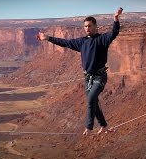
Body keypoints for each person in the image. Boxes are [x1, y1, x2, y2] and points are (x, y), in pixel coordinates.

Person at [37, 7, 123, 135]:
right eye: (85, 26)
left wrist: (115, 19)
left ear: (95, 26)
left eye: (89, 26)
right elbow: (64, 42)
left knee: (91, 99)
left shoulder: (102, 40)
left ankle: (88, 127)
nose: (87, 28)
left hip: (100, 77)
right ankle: (104, 125)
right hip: (87, 78)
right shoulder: (82, 42)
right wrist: (47, 38)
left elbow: (114, 32)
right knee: (93, 101)